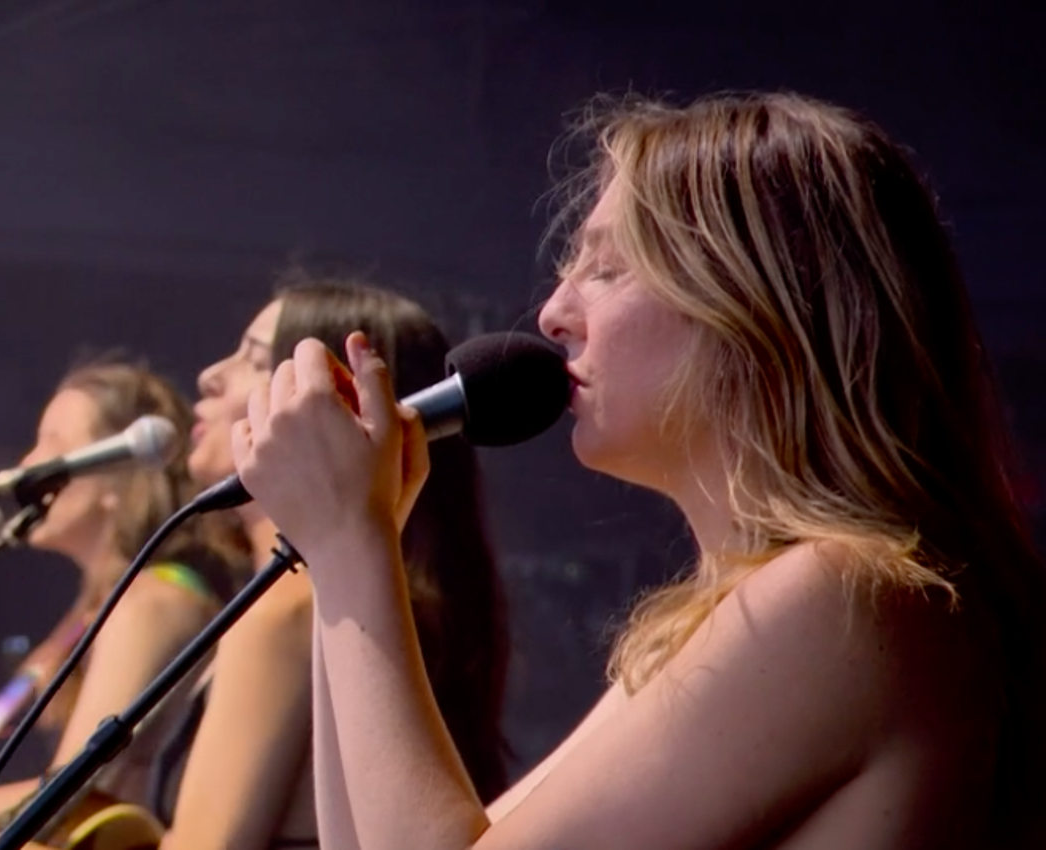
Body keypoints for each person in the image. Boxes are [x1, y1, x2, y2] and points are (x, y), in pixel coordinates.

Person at [229, 94, 1046, 849]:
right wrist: (342, 551)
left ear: (752, 306)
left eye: (607, 268)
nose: (553, 314)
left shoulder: (847, 596)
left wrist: (351, 544)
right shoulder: (751, 610)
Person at [154, 276, 510, 850]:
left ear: (334, 403)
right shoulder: (364, 600)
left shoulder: (288, 610)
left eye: (253, 358)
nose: (210, 375)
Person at [0, 360, 240, 848]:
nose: (25, 466)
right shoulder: (96, 603)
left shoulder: (151, 602)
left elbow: (72, 798)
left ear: (118, 477)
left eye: (52, 443)